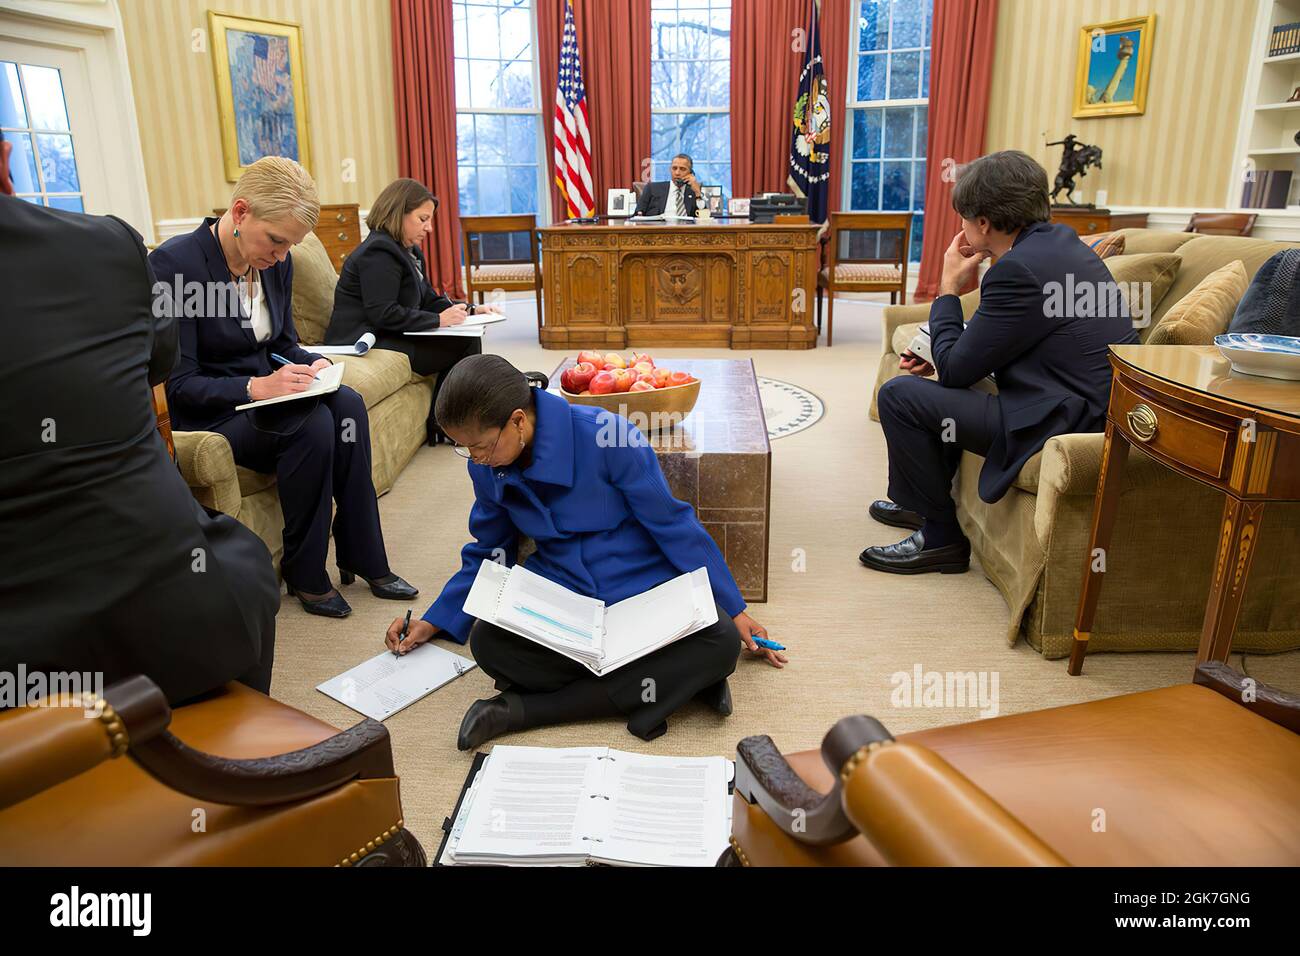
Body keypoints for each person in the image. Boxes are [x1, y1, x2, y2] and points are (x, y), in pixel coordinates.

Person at [0, 131, 278, 705]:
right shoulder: (111, 245)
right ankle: (231, 759)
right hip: (163, 591)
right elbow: (165, 368)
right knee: (241, 566)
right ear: (6, 165)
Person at [383, 355, 787, 750]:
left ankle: (525, 711)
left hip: (641, 589)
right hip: (564, 598)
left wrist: (735, 608)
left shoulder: (608, 435)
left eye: (481, 446)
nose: (475, 458)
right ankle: (676, 685)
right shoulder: (486, 467)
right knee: (488, 642)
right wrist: (435, 620)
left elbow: (673, 524)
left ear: (518, 421)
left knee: (719, 640)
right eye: (464, 448)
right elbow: (490, 551)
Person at [148, 157, 416, 618]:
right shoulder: (175, 267)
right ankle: (305, 571)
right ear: (239, 212)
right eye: (275, 240)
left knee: (346, 403)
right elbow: (180, 385)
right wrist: (256, 387)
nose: (280, 255)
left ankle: (363, 553)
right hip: (214, 412)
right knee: (309, 424)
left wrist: (314, 365)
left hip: (267, 397)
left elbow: (283, 343)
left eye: (289, 245)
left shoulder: (275, 264)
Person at [863, 150, 1140, 575]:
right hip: (1087, 404)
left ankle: (940, 540)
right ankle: (921, 503)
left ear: (984, 224)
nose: (961, 229)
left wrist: (949, 289)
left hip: (1061, 420)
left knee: (899, 395)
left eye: (963, 219)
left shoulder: (1018, 270)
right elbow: (1000, 341)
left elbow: (957, 369)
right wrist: (937, 350)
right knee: (937, 387)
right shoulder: (1062, 245)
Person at [325, 178, 499, 445]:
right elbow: (382, 313)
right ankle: (448, 421)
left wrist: (471, 310)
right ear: (398, 213)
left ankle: (448, 420)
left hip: (389, 331)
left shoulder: (407, 250)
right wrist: (439, 320)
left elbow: (428, 298)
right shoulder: (379, 252)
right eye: (423, 219)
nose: (429, 228)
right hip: (366, 338)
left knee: (467, 337)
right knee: (463, 343)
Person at [634, 153, 702, 218]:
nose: (677, 173)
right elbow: (638, 214)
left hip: (686, 229)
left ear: (690, 173)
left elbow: (704, 217)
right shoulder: (652, 189)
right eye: (674, 168)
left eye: (682, 169)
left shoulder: (693, 192)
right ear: (670, 169)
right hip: (659, 228)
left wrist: (697, 193)